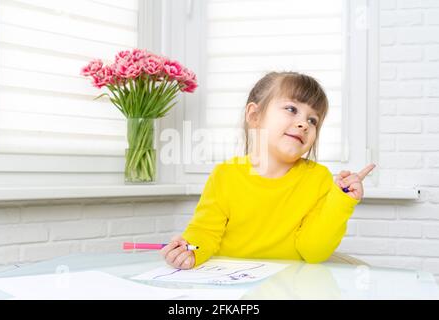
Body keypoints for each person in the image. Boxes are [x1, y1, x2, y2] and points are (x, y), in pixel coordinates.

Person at [160, 71, 376, 269]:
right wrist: (188, 252)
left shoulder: (318, 178)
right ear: (254, 115)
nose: (304, 124)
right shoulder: (225, 175)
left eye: (313, 120)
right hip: (234, 285)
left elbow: (313, 252)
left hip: (290, 288)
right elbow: (204, 232)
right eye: (292, 109)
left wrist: (341, 201)